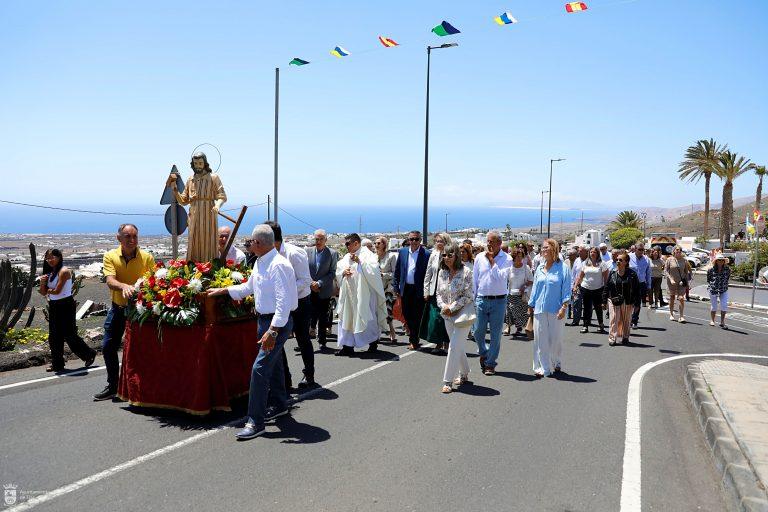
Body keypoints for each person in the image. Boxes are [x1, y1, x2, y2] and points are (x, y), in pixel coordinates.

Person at [208, 224, 298, 440]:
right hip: (265, 321)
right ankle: (280, 404)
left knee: (259, 370)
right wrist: (223, 290)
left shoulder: (278, 265)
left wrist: (273, 331)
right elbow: (249, 287)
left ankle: (255, 421)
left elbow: (283, 304)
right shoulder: (261, 262)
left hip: (275, 324)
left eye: (250, 241)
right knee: (274, 365)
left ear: (259, 243)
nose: (248, 244)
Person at [93, 224, 155, 401]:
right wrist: (124, 286)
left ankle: (141, 386)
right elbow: (110, 281)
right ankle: (113, 386)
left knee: (141, 349)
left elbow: (154, 280)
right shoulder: (110, 256)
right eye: (128, 236)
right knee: (108, 347)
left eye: (135, 236)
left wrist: (140, 287)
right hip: (118, 308)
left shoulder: (147, 257)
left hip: (140, 310)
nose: (132, 240)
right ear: (118, 238)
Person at [264, 221, 315, 389]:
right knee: (278, 341)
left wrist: (286, 291)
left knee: (302, 339)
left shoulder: (294, 253)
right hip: (282, 303)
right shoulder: (268, 255)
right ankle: (286, 380)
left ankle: (309, 375)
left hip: (300, 302)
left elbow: (305, 281)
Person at [38, 249, 96, 373]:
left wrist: (45, 287)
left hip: (65, 304)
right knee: (54, 336)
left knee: (69, 335)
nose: (50, 260)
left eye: (52, 257)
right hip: (54, 305)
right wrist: (44, 284)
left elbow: (57, 291)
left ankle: (89, 354)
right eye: (47, 258)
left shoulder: (64, 271)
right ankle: (57, 364)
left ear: (59, 257)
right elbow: (43, 292)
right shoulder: (51, 272)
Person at [166, 152, 227, 262]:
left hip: (209, 214)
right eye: (196, 163)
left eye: (200, 163)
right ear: (192, 164)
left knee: (208, 241)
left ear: (205, 163)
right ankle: (193, 267)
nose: (198, 165)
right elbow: (184, 201)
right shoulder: (191, 179)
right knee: (194, 242)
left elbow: (222, 196)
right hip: (194, 216)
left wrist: (217, 206)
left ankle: (210, 267)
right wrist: (175, 190)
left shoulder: (213, 177)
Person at [335, 233, 387, 356]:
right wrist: (343, 272)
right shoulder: (347, 256)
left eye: (348, 244)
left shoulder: (367, 255)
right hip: (349, 294)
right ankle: (347, 346)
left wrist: (360, 262)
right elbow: (338, 270)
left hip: (364, 294)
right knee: (347, 319)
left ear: (356, 243)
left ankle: (373, 343)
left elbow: (373, 272)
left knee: (367, 317)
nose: (346, 246)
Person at [527, 239, 571, 378]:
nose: (543, 250)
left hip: (556, 308)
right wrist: (531, 304)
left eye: (546, 247)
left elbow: (566, 289)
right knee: (540, 339)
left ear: (554, 249)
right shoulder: (539, 267)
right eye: (542, 248)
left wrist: (564, 307)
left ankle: (556, 361)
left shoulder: (563, 268)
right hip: (539, 308)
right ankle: (543, 367)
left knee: (555, 339)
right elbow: (535, 288)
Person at [472, 231, 512, 376]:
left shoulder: (507, 259)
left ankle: (490, 363)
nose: (489, 244)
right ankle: (484, 352)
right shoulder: (479, 257)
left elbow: (500, 278)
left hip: (499, 301)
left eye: (492, 241)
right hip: (481, 299)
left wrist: (492, 262)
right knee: (477, 331)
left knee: (495, 335)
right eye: (488, 241)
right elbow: (475, 279)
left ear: (499, 244)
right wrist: (473, 297)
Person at [435, 243, 474, 393]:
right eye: (444, 255)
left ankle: (448, 381)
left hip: (463, 315)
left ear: (456, 255)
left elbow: (469, 295)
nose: (446, 258)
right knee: (457, 345)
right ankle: (464, 373)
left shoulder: (466, 272)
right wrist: (444, 307)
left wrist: (452, 307)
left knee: (453, 347)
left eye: (450, 255)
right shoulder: (442, 273)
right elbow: (438, 293)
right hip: (447, 315)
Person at [393, 231, 430, 350]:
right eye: (412, 239)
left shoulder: (427, 254)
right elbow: (397, 271)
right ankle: (414, 337)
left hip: (419, 289)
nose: (414, 242)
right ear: (408, 240)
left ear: (420, 240)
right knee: (407, 314)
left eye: (416, 239)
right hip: (406, 288)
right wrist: (395, 287)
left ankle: (414, 340)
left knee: (418, 315)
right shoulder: (403, 252)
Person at [306, 229, 338, 349]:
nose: (318, 241)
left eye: (321, 239)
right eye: (316, 239)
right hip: (309, 290)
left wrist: (319, 283)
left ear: (326, 240)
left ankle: (322, 341)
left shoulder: (333, 253)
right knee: (307, 316)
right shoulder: (307, 251)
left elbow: (332, 272)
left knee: (323, 317)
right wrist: (311, 284)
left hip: (324, 290)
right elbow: (304, 270)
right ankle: (305, 341)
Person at [421, 232, 452, 354]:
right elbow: (428, 273)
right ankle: (438, 342)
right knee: (435, 318)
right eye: (437, 241)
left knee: (446, 317)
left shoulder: (450, 254)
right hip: (434, 291)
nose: (439, 243)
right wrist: (426, 290)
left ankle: (447, 343)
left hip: (447, 291)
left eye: (441, 241)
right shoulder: (433, 255)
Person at [602, 250, 641, 345]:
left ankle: (625, 337)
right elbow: (607, 287)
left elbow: (637, 290)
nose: (618, 261)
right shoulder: (612, 273)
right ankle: (612, 338)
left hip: (627, 300)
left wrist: (637, 304)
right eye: (617, 260)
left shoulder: (632, 274)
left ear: (626, 262)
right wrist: (604, 301)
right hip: (614, 300)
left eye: (620, 260)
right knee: (614, 319)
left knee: (626, 320)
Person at [573, 247, 608, 334]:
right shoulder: (585, 263)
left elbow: (606, 279)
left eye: (594, 252)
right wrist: (575, 286)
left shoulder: (602, 264)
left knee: (598, 308)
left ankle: (601, 325)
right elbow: (580, 276)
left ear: (597, 253)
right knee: (586, 308)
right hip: (586, 288)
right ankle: (585, 326)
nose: (592, 253)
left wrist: (606, 290)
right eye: (591, 252)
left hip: (598, 289)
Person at [375, 236, 398, 343]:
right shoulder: (374, 257)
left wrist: (383, 275)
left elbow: (395, 273)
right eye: (375, 243)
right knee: (376, 311)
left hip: (388, 288)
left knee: (388, 310)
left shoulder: (391, 256)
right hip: (376, 288)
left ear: (384, 244)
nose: (376, 245)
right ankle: (377, 333)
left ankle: (392, 330)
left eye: (379, 243)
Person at [506, 248, 534, 337]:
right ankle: (519, 327)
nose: (519, 258)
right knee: (513, 310)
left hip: (522, 294)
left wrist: (524, 286)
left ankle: (525, 328)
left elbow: (531, 280)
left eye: (521, 256)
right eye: (517, 256)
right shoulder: (509, 268)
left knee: (522, 312)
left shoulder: (526, 268)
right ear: (513, 257)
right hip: (511, 294)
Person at [664, 245, 691, 323]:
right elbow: (665, 271)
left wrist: (687, 283)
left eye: (680, 250)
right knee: (672, 298)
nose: (678, 252)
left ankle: (681, 316)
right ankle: (671, 314)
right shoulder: (669, 259)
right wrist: (671, 279)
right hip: (671, 282)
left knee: (681, 298)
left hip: (681, 282)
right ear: (674, 251)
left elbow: (686, 272)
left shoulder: (684, 260)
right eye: (677, 250)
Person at [628, 243, 652, 329]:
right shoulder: (629, 257)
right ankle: (628, 319)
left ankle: (634, 321)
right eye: (640, 250)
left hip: (641, 284)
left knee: (638, 303)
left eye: (643, 250)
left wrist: (649, 285)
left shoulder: (647, 259)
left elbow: (648, 273)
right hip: (630, 284)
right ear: (635, 249)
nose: (641, 251)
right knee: (630, 303)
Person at [707, 254, 731, 328]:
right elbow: (709, 279)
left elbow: (727, 279)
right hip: (713, 289)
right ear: (716, 261)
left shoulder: (727, 269)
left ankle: (722, 322)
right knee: (714, 306)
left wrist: (723, 285)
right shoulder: (711, 269)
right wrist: (713, 286)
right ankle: (712, 320)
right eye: (719, 260)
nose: (720, 261)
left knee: (724, 306)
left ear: (724, 261)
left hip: (723, 289)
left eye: (722, 260)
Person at [568, 246, 587, 326]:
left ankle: (587, 320)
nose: (579, 253)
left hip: (587, 285)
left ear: (586, 252)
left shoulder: (589, 260)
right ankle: (576, 320)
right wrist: (573, 285)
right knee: (576, 302)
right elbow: (573, 273)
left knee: (587, 303)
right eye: (579, 251)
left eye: (581, 251)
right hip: (577, 285)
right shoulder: (577, 260)